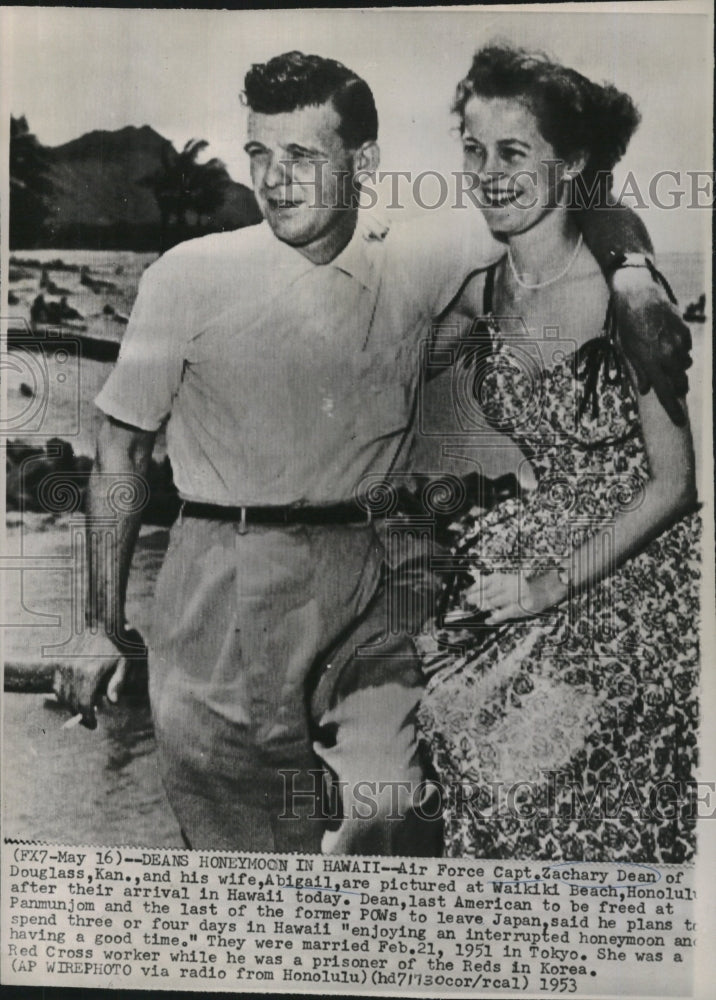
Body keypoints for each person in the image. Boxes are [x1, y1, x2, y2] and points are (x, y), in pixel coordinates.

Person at [53, 50, 691, 855]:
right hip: (214, 581)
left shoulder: (419, 257)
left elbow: (570, 197)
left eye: (301, 156)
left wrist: (633, 275)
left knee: (390, 811)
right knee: (234, 852)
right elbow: (118, 453)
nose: (274, 180)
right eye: (258, 154)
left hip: (366, 586)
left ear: (363, 164)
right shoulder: (187, 277)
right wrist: (97, 624)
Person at [416, 45, 700, 862]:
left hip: (635, 564)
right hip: (533, 543)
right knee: (453, 732)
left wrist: (547, 585)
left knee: (539, 773)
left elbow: (676, 484)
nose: (488, 173)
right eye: (473, 150)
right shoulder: (479, 293)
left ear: (571, 162)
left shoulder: (629, 298)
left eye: (514, 152)